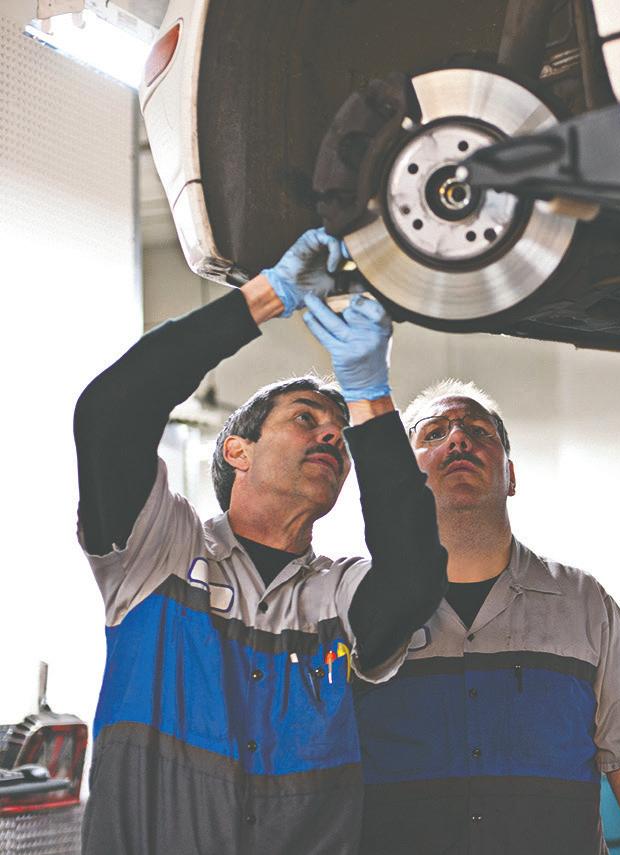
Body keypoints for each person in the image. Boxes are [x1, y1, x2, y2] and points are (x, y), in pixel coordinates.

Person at [73, 229, 448, 854]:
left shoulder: (337, 595)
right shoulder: (157, 552)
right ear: (237, 451)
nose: (332, 437)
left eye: (342, 433)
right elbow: (110, 412)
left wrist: (370, 396)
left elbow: (413, 577)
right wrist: (266, 295)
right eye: (305, 418)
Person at [354, 379, 620, 854]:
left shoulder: (581, 602)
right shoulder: (356, 603)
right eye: (433, 433)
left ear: (511, 476)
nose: (458, 438)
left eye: (479, 431)